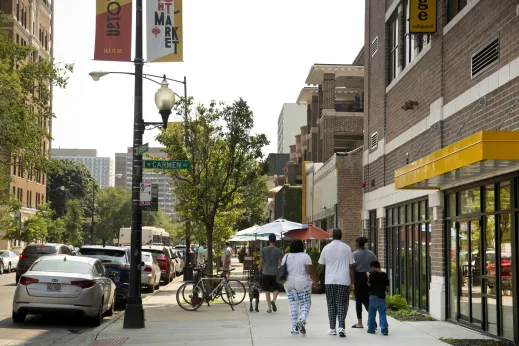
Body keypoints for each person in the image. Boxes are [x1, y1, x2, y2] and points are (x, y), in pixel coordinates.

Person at [318, 228, 355, 338]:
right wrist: (353, 282)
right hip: (344, 280)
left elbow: (320, 266)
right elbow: (352, 266)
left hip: (329, 280)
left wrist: (317, 279)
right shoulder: (347, 248)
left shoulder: (326, 248)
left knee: (331, 304)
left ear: (331, 236)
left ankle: (332, 328)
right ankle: (341, 328)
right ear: (341, 235)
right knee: (342, 304)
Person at [282, 240, 320, 335]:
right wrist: (316, 281)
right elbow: (310, 271)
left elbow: (282, 268)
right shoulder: (305, 256)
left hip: (289, 282)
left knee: (293, 304)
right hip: (302, 281)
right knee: (305, 303)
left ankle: (294, 327)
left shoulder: (286, 256)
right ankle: (302, 320)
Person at [352, 236, 377, 329]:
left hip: (358, 277)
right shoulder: (371, 254)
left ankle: (360, 322)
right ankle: (372, 320)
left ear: (358, 243)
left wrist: (351, 281)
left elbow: (352, 267)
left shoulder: (354, 254)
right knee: (367, 300)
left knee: (358, 300)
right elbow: (375, 265)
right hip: (368, 277)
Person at [259, 233, 282, 313]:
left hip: (266, 272)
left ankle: (269, 308)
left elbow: (261, 261)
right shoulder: (278, 250)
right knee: (276, 289)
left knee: (267, 290)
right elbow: (279, 263)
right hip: (275, 273)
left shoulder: (264, 250)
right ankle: (274, 300)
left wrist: (260, 268)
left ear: (269, 240)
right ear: (275, 240)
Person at [367, 260, 389, 336]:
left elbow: (369, 284)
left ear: (373, 267)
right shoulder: (385, 274)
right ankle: (384, 329)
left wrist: (367, 278)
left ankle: (371, 329)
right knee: (382, 313)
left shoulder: (372, 274)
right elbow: (387, 285)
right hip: (382, 296)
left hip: (373, 296)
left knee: (372, 313)